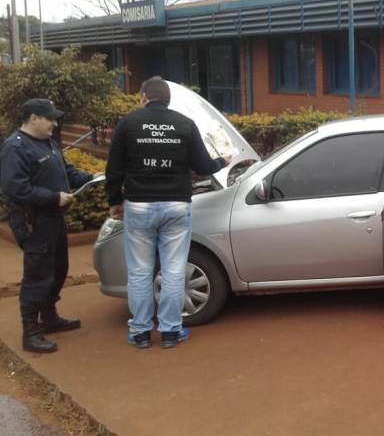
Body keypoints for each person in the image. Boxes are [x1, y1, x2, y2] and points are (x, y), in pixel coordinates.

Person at [105, 77, 231, 349]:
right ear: (168, 99)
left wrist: (115, 201)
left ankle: (140, 332)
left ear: (144, 97)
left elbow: (113, 169)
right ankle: (171, 331)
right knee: (173, 270)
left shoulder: (128, 123)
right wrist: (223, 160)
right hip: (176, 205)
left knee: (140, 271)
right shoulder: (184, 124)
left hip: (138, 205)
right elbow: (203, 166)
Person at [0, 99, 96, 353]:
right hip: (34, 222)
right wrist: (53, 198)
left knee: (58, 269)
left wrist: (92, 178)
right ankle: (31, 332)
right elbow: (15, 188)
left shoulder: (48, 143)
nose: (54, 123)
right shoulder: (15, 147)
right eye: (50, 118)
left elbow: (67, 172)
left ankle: (49, 317)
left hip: (54, 219)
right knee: (38, 276)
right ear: (33, 118)